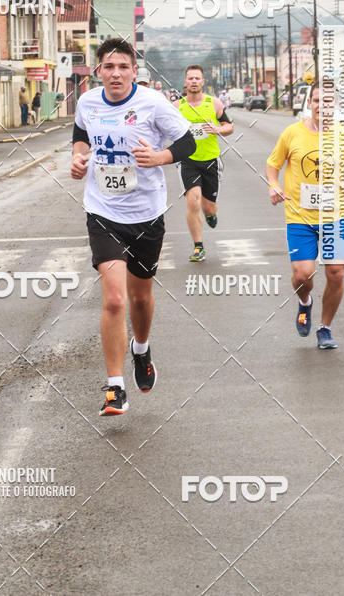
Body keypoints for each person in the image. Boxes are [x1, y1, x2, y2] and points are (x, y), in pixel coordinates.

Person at [71, 38, 195, 416]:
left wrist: (160, 156)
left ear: (133, 70)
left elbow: (189, 142)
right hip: (102, 211)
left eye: (123, 66)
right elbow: (80, 136)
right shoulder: (87, 102)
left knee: (140, 298)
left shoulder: (153, 103)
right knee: (114, 298)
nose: (116, 73)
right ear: (98, 71)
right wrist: (78, 159)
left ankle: (141, 350)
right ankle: (114, 388)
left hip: (146, 213)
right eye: (108, 67)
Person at [266, 80, 344, 349]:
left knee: (336, 273)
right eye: (317, 101)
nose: (322, 106)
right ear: (310, 103)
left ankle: (325, 328)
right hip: (300, 216)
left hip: (336, 216)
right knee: (303, 275)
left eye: (327, 101)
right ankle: (305, 302)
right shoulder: (292, 133)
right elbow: (273, 165)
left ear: (335, 105)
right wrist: (274, 185)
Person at [177, 66, 234, 262]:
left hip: (211, 161)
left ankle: (210, 214)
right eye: (190, 78)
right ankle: (198, 247)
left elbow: (229, 127)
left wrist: (217, 129)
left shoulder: (214, 103)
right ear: (185, 82)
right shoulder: (177, 107)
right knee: (193, 200)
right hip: (188, 161)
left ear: (203, 82)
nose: (193, 81)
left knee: (208, 207)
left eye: (197, 78)